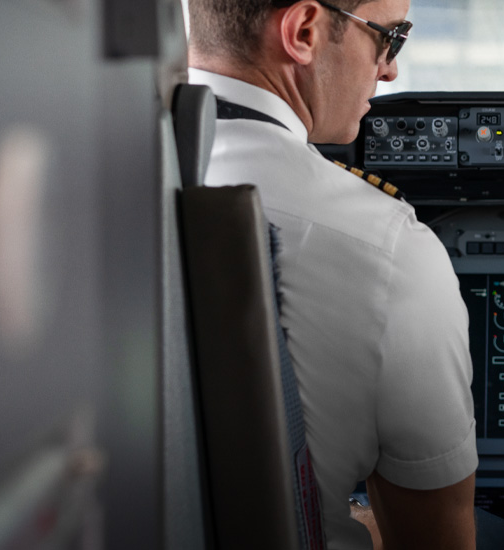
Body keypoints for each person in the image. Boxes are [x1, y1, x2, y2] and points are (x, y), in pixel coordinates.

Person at [185, 1, 479, 548]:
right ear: (303, 31)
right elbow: (435, 538)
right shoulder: (388, 246)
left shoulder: (67, 190)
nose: (390, 69)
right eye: (391, 37)